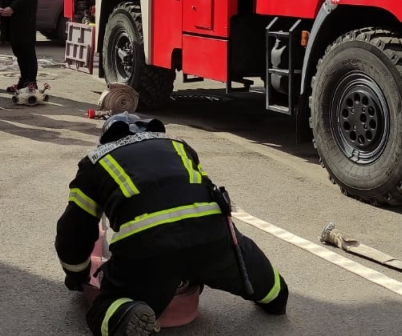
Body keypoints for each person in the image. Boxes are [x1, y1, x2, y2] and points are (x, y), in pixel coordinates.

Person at [55, 113, 289, 336]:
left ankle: (123, 314)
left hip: (149, 252)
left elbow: (73, 233)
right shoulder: (180, 147)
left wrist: (77, 276)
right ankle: (273, 297)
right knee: (273, 290)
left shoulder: (94, 163)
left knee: (103, 310)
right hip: (214, 242)